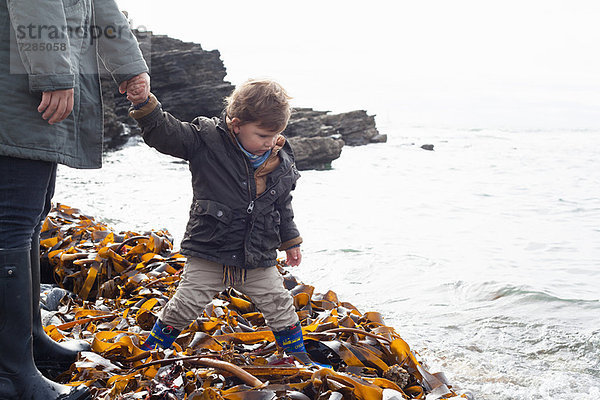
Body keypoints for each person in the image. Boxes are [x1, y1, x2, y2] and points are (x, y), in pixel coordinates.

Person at [0, 1, 150, 399]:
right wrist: (53, 75)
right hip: (16, 85)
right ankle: (10, 375)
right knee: (12, 223)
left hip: (26, 80)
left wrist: (129, 66)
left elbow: (97, 5)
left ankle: (30, 344)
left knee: (30, 214)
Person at [128, 79, 319, 365]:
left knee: (279, 303)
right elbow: (166, 134)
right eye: (263, 135)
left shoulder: (280, 159)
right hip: (210, 250)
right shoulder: (205, 140)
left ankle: (297, 357)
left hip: (256, 255)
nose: (270, 143)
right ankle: (151, 351)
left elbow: (282, 205)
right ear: (237, 124)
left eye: (276, 135)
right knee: (184, 305)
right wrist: (145, 104)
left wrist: (291, 241)